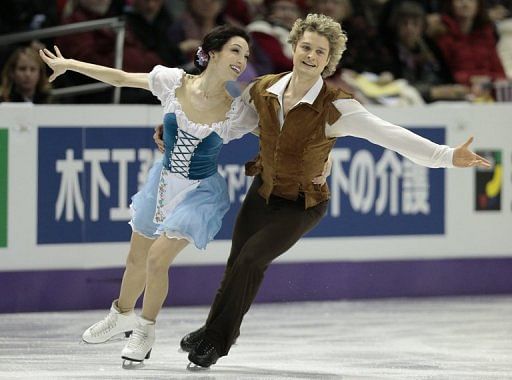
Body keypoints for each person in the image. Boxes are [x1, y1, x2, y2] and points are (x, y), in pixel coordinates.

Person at [177, 13, 491, 369]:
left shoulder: (337, 106)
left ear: (329, 61)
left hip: (303, 203)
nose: (310, 56)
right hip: (262, 193)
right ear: (293, 47)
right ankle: (214, 331)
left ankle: (215, 343)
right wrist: (185, 135)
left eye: (320, 52)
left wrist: (447, 156)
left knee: (251, 260)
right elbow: (230, 127)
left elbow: (391, 135)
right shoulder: (262, 90)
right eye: (306, 47)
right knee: (237, 264)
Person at [39, 25, 258, 365]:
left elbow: (279, 130)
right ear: (212, 52)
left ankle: (145, 330)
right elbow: (123, 78)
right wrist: (70, 65)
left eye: (246, 55)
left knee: (157, 259)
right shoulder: (173, 82)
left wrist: (322, 151)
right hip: (163, 182)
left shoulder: (238, 110)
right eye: (235, 50)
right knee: (136, 259)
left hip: (200, 192)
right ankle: (122, 314)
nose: (242, 60)